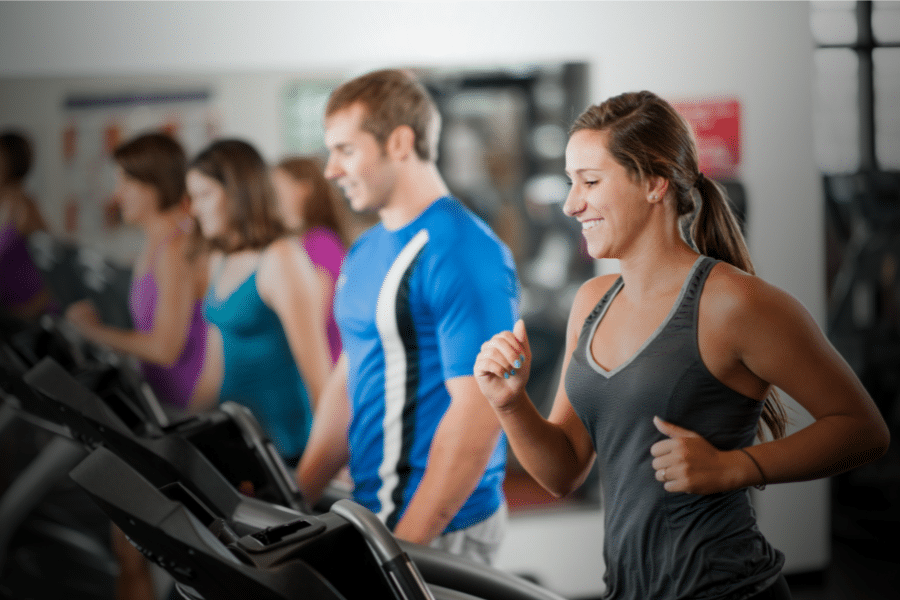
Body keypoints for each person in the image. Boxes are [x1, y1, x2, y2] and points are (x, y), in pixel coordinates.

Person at [474, 91, 890, 599]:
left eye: (590, 182)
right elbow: (562, 472)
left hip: (727, 590)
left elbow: (864, 429)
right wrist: (510, 402)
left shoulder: (734, 303)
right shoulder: (591, 301)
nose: (570, 204)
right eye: (570, 182)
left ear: (653, 183)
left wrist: (736, 466)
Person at [296, 69, 520, 565]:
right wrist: (296, 497)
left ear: (399, 142)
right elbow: (350, 374)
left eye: (345, 150)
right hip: (375, 512)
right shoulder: (366, 250)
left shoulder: (464, 251)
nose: (331, 170)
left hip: (440, 527)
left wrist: (406, 548)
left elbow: (478, 414)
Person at [187, 138, 332, 466]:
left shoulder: (283, 259)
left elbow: (319, 377)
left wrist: (330, 463)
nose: (194, 210)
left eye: (204, 195)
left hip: (280, 446)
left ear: (239, 193)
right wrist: (177, 431)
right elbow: (213, 370)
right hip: (232, 433)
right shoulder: (219, 257)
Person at [66, 132, 216, 414]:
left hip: (182, 408)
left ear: (153, 186)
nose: (116, 194)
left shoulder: (176, 249)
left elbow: (164, 349)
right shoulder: (154, 244)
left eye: (125, 182)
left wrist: (93, 331)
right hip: (154, 397)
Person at [271, 156, 348, 365]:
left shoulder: (321, 242)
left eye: (276, 186)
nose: (269, 194)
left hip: (323, 366)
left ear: (303, 189)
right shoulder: (288, 243)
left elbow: (314, 317)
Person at [0, 130, 55, 321]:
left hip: (30, 319)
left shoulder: (25, 207)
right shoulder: (6, 204)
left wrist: (28, 312)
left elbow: (53, 269)